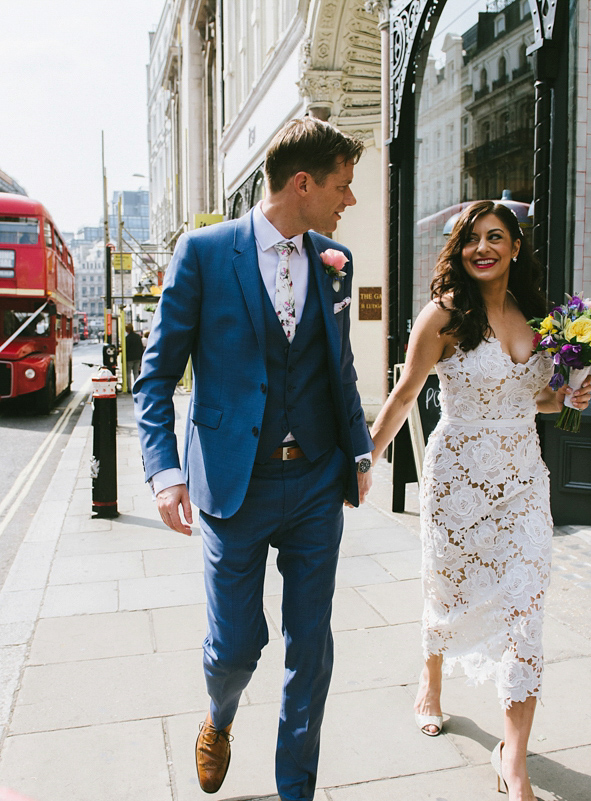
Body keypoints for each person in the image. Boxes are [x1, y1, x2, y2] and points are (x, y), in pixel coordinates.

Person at [134, 117, 373, 801]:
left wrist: (357, 450)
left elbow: (339, 367)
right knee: (235, 646)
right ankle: (220, 716)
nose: (348, 199)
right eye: (341, 185)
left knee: (311, 648)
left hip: (315, 483)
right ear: (303, 183)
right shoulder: (204, 253)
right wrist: (164, 470)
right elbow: (156, 377)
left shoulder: (335, 260)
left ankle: (295, 788)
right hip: (232, 484)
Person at [365, 201, 591, 801]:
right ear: (460, 251)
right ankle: (430, 678)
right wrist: (366, 461)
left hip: (524, 481)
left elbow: (535, 399)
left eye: (496, 237)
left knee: (527, 605)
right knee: (448, 587)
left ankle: (512, 758)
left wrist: (566, 398)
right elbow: (406, 391)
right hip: (458, 477)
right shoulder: (444, 316)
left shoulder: (541, 317)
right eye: (471, 239)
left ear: (516, 246)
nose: (482, 248)